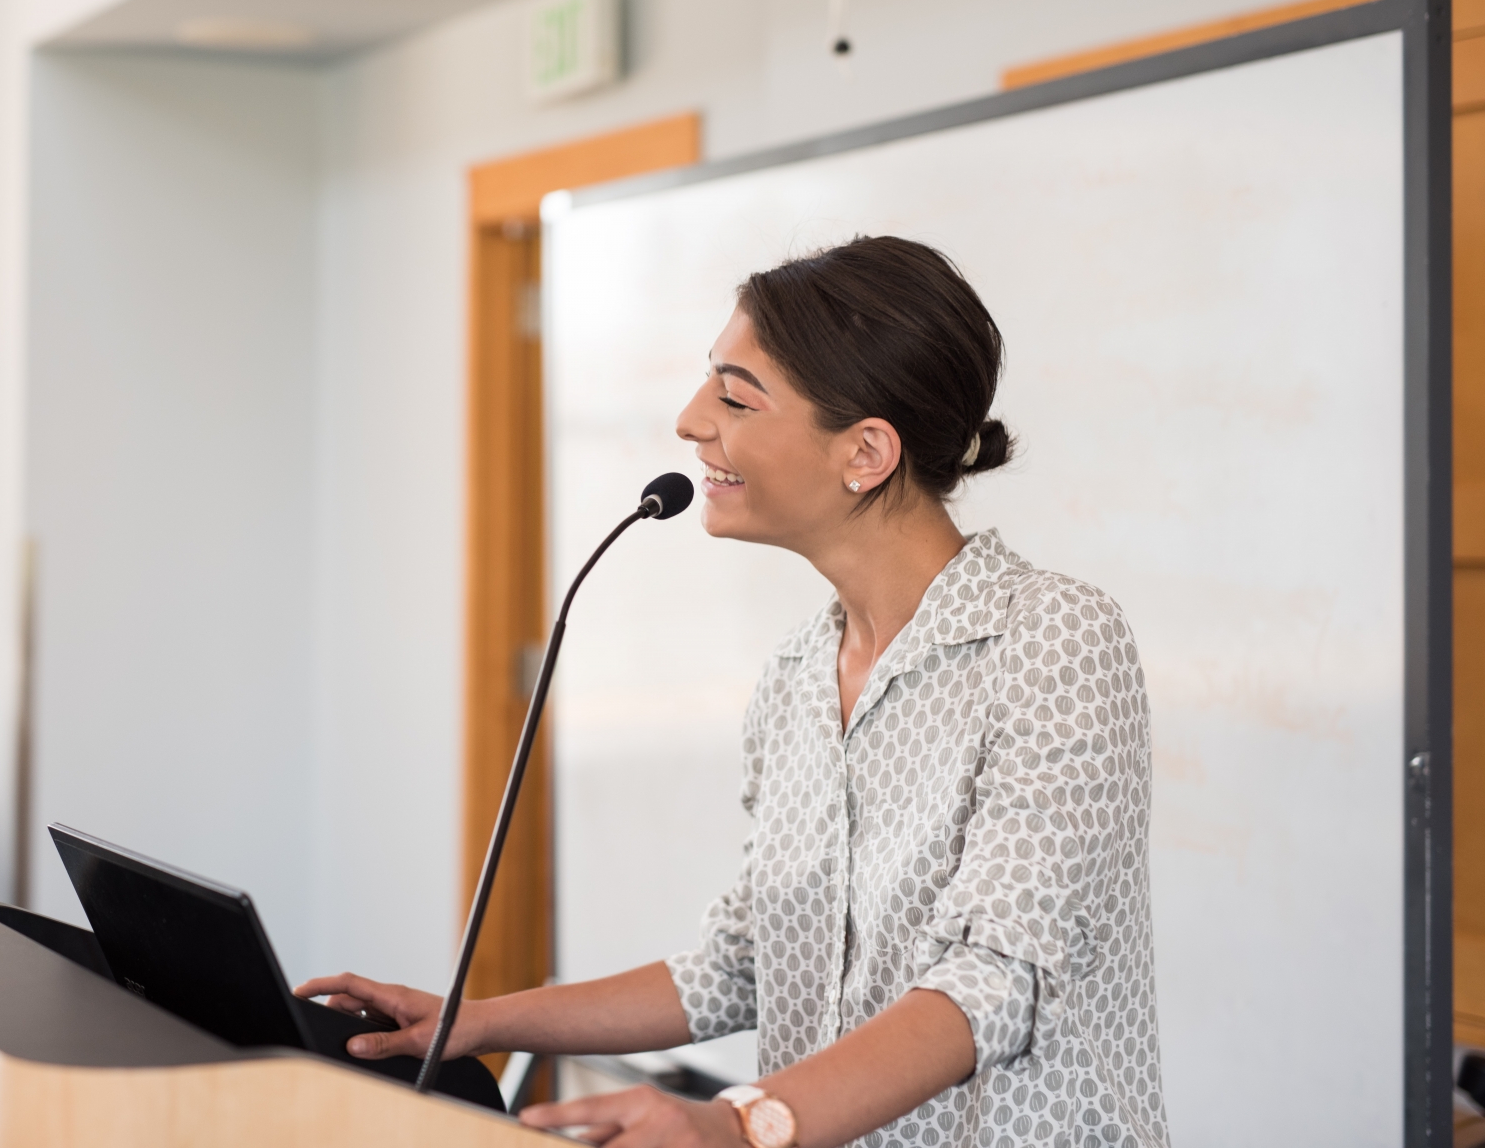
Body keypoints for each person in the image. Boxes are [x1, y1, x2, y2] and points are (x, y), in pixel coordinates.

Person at [297, 237, 1167, 1148]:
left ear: (866, 452)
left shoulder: (1056, 638)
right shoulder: (795, 676)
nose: (689, 420)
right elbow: (742, 963)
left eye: (735, 397)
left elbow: (994, 977)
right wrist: (474, 1021)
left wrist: (736, 1124)